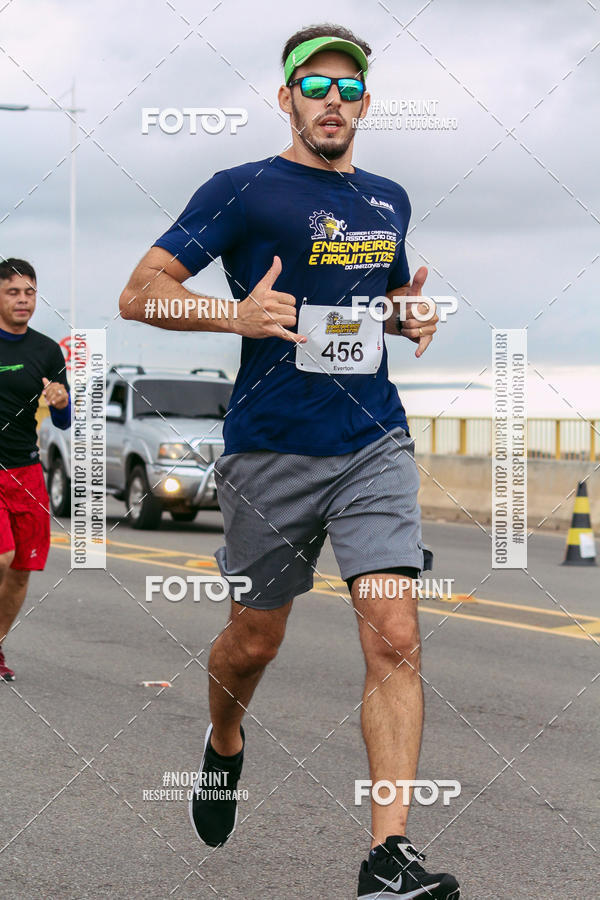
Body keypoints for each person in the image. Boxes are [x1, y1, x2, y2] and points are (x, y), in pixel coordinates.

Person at [120, 23, 459, 900]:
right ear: (288, 98)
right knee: (252, 642)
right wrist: (226, 317)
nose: (333, 101)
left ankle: (389, 857)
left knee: (396, 635)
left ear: (366, 106)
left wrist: (404, 318)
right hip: (270, 449)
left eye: (350, 89)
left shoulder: (389, 199)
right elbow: (142, 290)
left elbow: (372, 300)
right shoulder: (242, 190)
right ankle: (224, 745)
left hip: (373, 440)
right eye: (317, 85)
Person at [0, 258, 71, 682]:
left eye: (29, 292)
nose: (23, 300)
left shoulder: (47, 351)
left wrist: (61, 402)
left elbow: (63, 421)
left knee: (23, 570)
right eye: (13, 292)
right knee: (3, 555)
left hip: (26, 471)